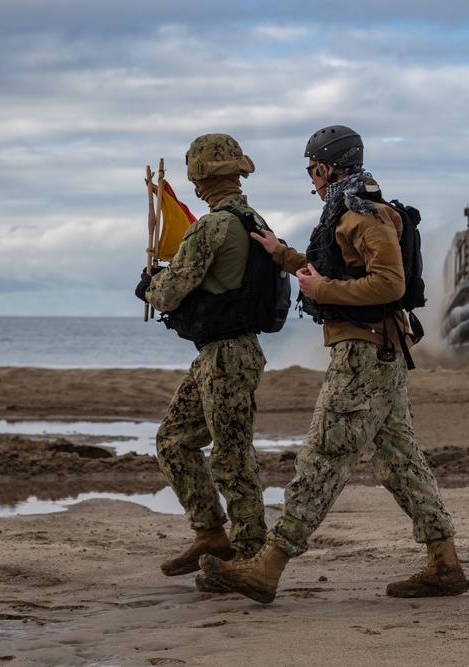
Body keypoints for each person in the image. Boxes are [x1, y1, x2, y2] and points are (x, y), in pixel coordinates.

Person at [198, 124, 469, 604]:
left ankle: (268, 568)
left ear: (326, 167)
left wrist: (322, 291)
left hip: (364, 356)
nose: (312, 178)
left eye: (312, 170)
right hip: (378, 353)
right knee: (401, 462)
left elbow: (389, 283)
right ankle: (444, 564)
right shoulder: (349, 213)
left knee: (322, 458)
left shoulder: (363, 216)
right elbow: (338, 269)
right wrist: (282, 255)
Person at [135, 133, 269, 592]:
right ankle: (211, 536)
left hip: (227, 355)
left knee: (232, 459)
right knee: (174, 440)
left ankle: (250, 557)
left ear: (199, 179)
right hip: (223, 352)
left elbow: (172, 290)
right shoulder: (253, 220)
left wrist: (151, 284)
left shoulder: (212, 227)